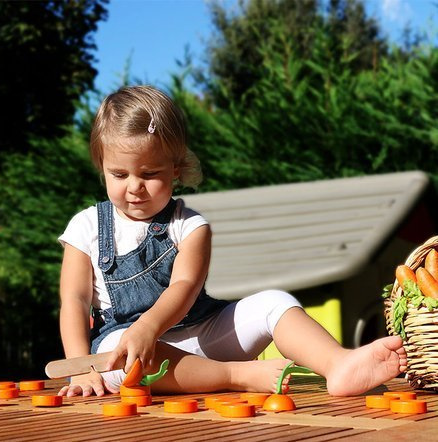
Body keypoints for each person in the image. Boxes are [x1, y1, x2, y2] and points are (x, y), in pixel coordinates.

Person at [56, 85, 407, 398]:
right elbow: (75, 299)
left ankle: (337, 364)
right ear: (102, 167)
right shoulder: (87, 226)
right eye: (119, 174)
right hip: (128, 352)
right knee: (122, 355)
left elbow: (184, 286)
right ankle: (236, 376)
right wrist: (80, 367)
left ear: (175, 169)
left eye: (150, 173)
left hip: (202, 335)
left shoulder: (189, 225)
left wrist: (149, 326)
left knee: (274, 302)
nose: (134, 186)